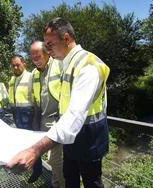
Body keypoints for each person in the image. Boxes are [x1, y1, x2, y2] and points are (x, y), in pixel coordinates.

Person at [8, 17, 110, 188]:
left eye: (49, 44)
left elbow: (74, 116)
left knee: (92, 183)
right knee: (70, 180)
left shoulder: (88, 66)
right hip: (71, 140)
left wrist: (35, 149)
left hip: (89, 139)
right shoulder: (66, 63)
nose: (47, 49)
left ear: (66, 38)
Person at [30, 41, 65, 188]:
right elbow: (36, 99)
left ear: (47, 53)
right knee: (53, 159)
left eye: (38, 56)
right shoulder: (34, 73)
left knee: (55, 159)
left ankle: (60, 185)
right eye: (32, 57)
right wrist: (35, 121)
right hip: (44, 120)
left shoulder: (59, 64)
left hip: (58, 120)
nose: (35, 59)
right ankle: (56, 182)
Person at [8, 55, 42, 183]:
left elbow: (36, 98)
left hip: (28, 113)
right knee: (22, 142)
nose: (16, 67)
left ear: (24, 63)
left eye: (18, 64)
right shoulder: (12, 79)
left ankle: (38, 169)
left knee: (32, 144)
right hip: (17, 113)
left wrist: (35, 119)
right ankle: (28, 165)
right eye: (13, 65)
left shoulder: (30, 77)